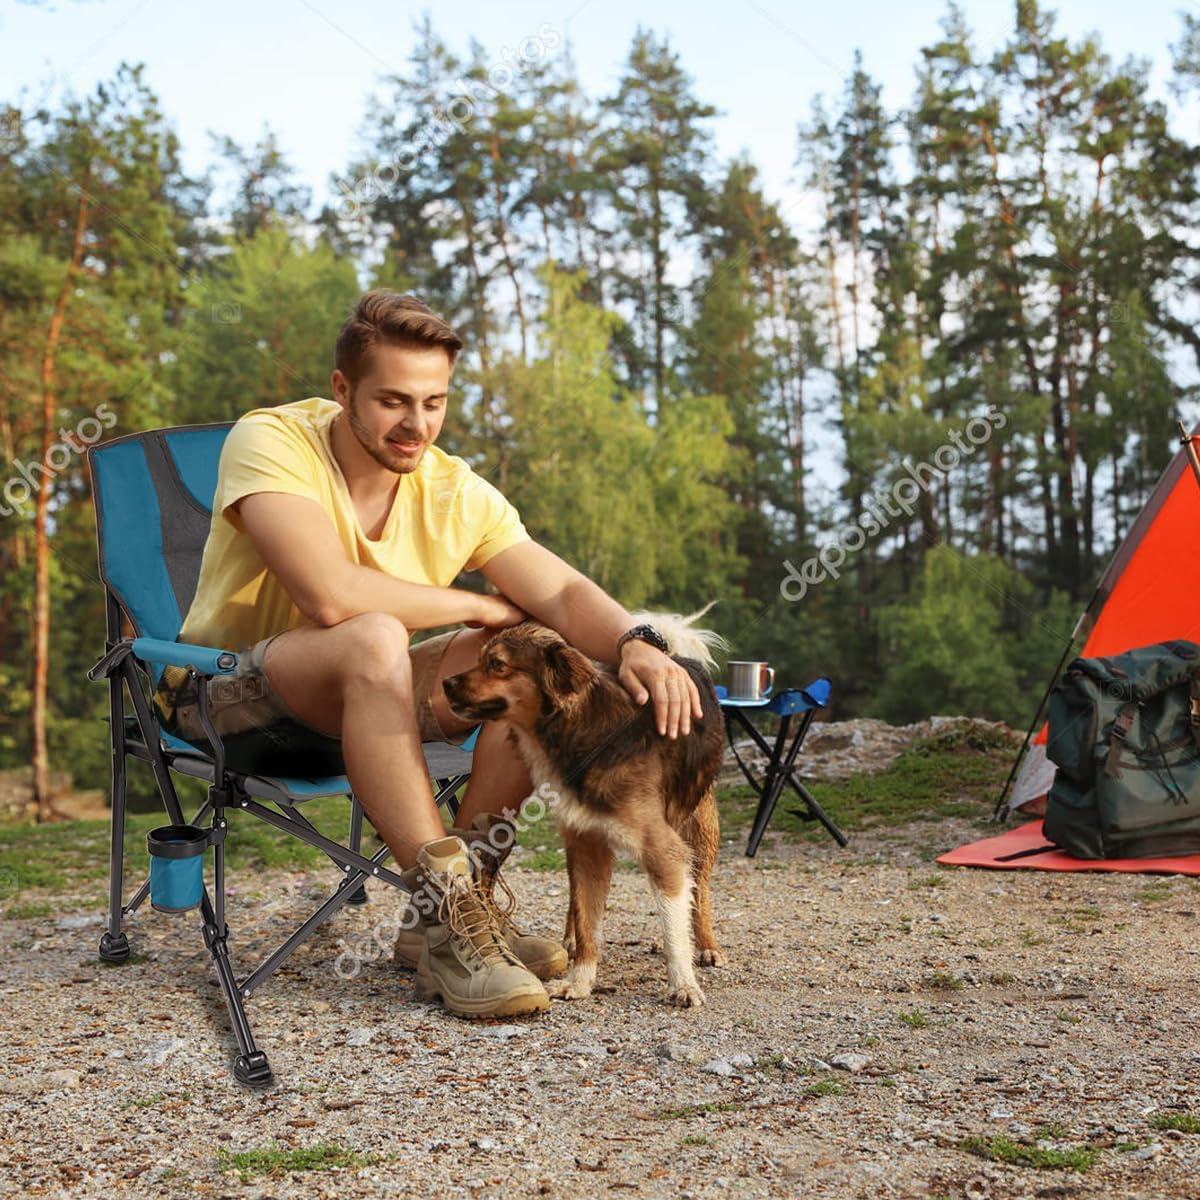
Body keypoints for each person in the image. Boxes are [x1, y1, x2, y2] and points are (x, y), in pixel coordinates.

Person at [151, 290, 704, 1019]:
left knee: (519, 672)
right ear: (342, 389)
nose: (416, 425)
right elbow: (328, 595)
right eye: (393, 401)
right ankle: (454, 913)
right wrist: (477, 602)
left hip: (362, 699)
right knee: (378, 632)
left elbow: (563, 590)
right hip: (225, 697)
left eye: (434, 402)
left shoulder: (451, 487)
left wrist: (640, 643)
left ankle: (443, 924)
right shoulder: (273, 440)